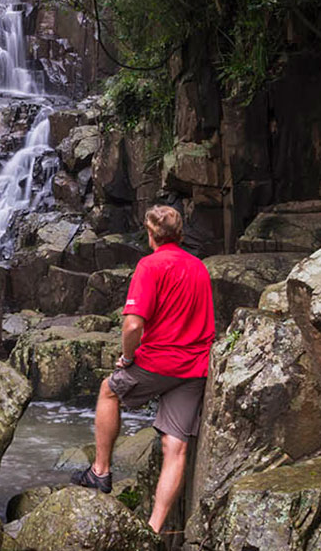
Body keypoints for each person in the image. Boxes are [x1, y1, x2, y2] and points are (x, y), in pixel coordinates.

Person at [69, 204, 215, 534]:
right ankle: (153, 529)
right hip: (194, 367)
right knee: (175, 448)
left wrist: (129, 357)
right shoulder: (198, 268)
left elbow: (133, 325)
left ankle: (100, 471)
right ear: (180, 234)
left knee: (109, 390)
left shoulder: (150, 266)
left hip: (159, 362)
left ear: (151, 234)